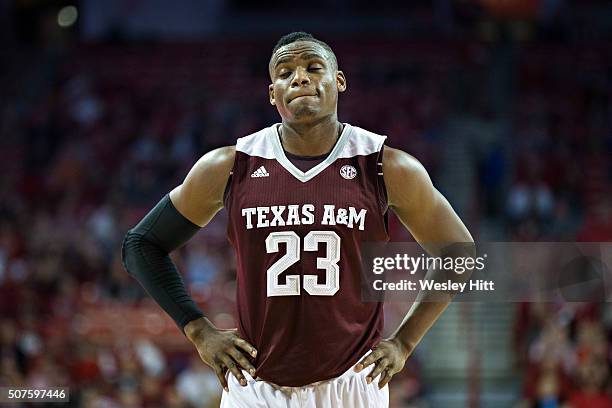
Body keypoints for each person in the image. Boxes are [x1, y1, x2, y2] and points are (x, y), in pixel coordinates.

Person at [122, 31, 474, 407]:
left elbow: (459, 252)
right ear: (273, 94)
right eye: (285, 72)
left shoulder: (385, 165)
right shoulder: (229, 166)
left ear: (338, 81)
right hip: (255, 387)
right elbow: (141, 245)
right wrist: (198, 330)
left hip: (352, 385)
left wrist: (404, 342)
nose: (299, 78)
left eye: (313, 67)